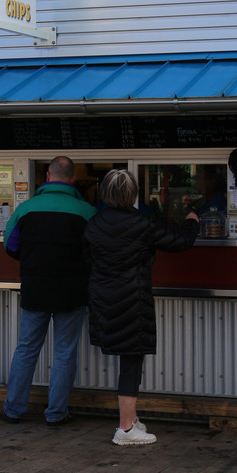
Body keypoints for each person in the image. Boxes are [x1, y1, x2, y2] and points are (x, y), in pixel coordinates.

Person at [83, 168, 199, 446]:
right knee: (131, 360)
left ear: (105, 193)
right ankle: (125, 429)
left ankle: (132, 419)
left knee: (128, 359)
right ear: (133, 194)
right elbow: (179, 242)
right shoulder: (143, 222)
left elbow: (86, 260)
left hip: (102, 298)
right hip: (132, 299)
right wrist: (191, 221)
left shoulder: (93, 223)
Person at [0, 156, 98, 426]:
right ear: (73, 179)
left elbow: (10, 245)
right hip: (72, 292)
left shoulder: (26, 209)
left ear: (47, 177)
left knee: (26, 349)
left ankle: (13, 410)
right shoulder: (87, 212)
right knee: (64, 352)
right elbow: (96, 252)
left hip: (36, 289)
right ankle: (56, 413)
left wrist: (33, 261)